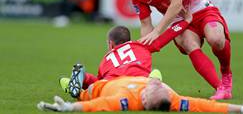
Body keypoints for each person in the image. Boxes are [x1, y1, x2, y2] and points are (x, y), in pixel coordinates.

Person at [127, 0, 233, 100]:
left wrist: (157, 32)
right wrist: (146, 49)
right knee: (189, 45)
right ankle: (221, 88)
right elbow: (146, 24)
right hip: (180, 20)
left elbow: (176, 4)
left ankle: (226, 74)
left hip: (201, 9)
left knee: (216, 39)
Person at [61, 13, 192, 98]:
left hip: (113, 85)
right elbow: (168, 34)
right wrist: (186, 21)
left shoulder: (106, 58)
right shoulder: (142, 45)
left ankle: (81, 78)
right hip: (139, 83)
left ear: (111, 44)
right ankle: (154, 81)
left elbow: (100, 81)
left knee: (96, 87)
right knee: (155, 72)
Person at [38, 76, 243, 113]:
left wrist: (71, 107)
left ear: (145, 100)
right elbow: (206, 106)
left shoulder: (127, 100)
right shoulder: (171, 98)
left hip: (98, 86)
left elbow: (99, 104)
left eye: (156, 86)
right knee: (154, 73)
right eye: (160, 86)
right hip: (129, 74)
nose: (160, 86)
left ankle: (70, 87)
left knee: (73, 84)